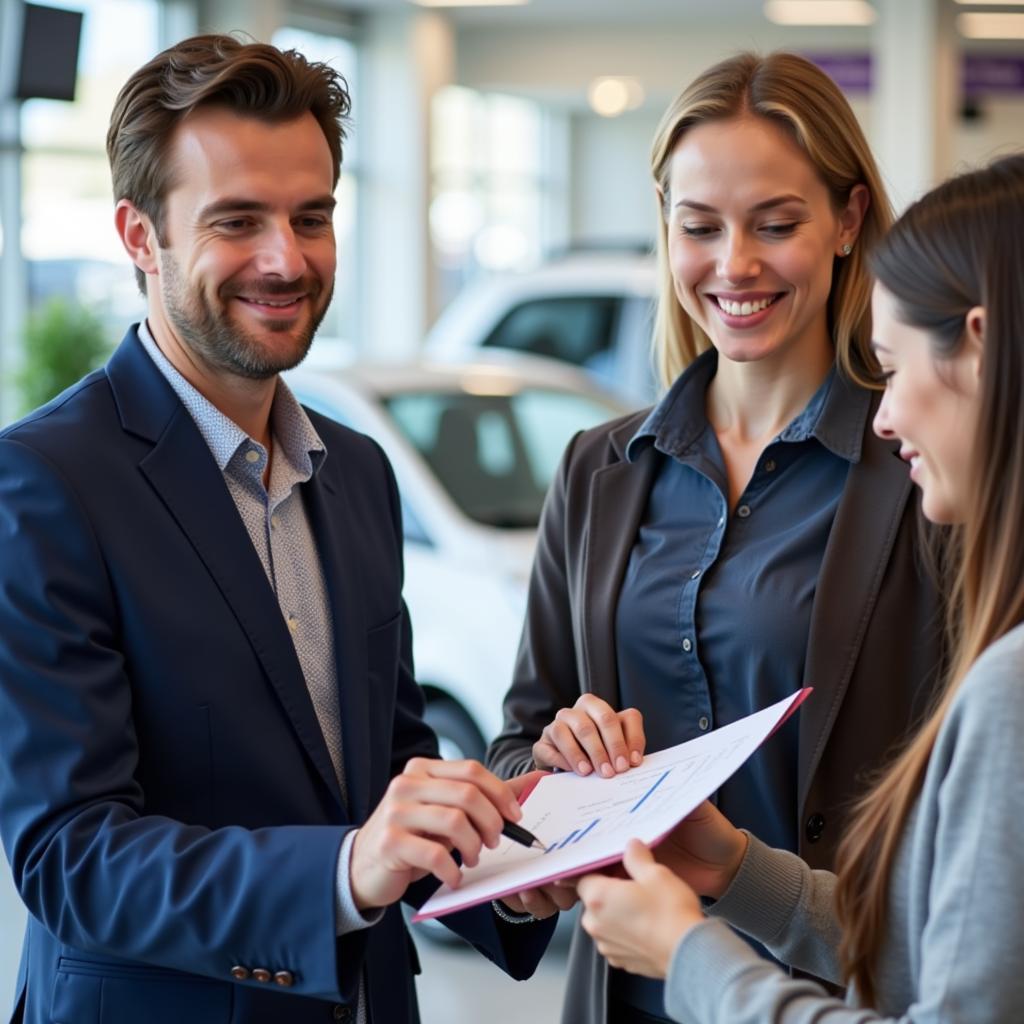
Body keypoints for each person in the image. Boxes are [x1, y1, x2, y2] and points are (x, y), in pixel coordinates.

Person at [0, 34, 554, 1024]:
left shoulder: (360, 471)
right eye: (237, 220)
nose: (284, 258)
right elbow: (71, 856)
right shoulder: (44, 483)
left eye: (311, 216)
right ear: (139, 236)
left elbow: (385, 766)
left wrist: (506, 867)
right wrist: (348, 866)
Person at [487, 51, 944, 1023]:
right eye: (698, 227)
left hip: (838, 990)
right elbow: (516, 748)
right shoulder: (599, 469)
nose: (732, 264)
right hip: (629, 995)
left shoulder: (920, 472)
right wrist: (552, 771)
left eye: (774, 224)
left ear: (847, 220)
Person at [574, 150, 1024, 1024]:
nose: (885, 414)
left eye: (892, 368)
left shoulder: (1009, 688)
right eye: (699, 224)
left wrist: (689, 956)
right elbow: (953, 949)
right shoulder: (601, 465)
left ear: (977, 346)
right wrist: (739, 870)